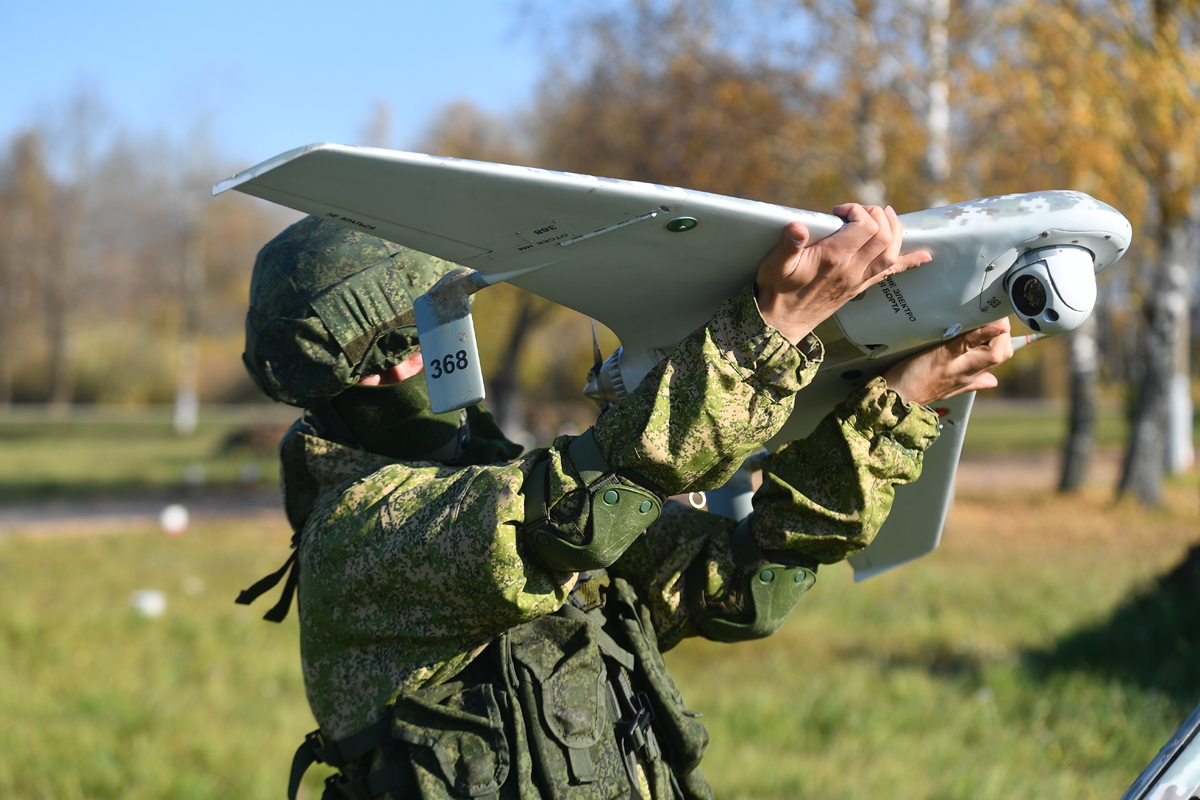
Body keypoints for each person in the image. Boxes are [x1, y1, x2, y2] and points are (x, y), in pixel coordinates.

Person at [237, 205, 1013, 800]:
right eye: (376, 358)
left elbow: (744, 588)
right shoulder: (363, 529)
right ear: (317, 392)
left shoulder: (492, 481)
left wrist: (896, 404)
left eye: (425, 332)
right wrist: (773, 328)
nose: (412, 366)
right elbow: (575, 513)